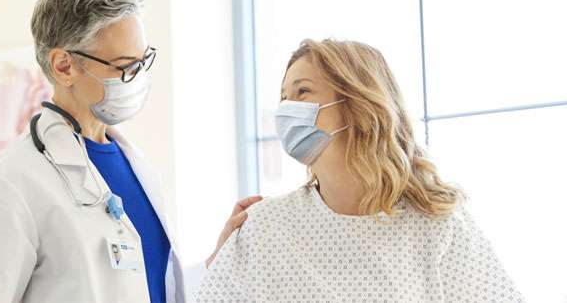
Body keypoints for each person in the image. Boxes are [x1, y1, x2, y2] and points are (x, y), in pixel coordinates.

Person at [0, 0, 257, 303]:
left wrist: (215, 262)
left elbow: (151, 287)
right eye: (125, 66)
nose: (137, 78)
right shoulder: (14, 179)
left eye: (143, 61)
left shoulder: (135, 166)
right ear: (64, 66)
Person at [196, 39, 524, 302]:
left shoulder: (439, 226)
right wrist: (215, 263)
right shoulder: (263, 227)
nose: (285, 109)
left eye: (302, 92)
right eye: (284, 97)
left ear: (357, 104)